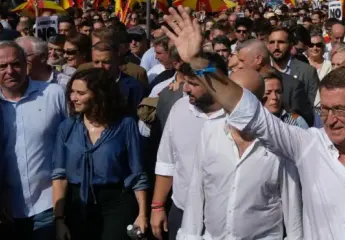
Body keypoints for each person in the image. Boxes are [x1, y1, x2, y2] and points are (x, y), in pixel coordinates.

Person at [161, 7, 345, 239]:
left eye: (341, 110)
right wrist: (198, 62)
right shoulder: (308, 146)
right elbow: (249, 113)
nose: (331, 120)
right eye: (325, 110)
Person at [177, 69, 304, 240]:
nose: (233, 103)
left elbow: (293, 207)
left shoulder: (280, 144)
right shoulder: (209, 132)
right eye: (229, 95)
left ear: (259, 101)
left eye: (240, 98)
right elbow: (196, 189)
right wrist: (189, 235)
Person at [52, 68, 148, 240]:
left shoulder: (125, 125)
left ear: (99, 95)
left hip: (116, 204)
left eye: (81, 93)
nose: (73, 98)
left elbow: (138, 173)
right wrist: (59, 219)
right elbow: (59, 176)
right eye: (72, 92)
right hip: (78, 205)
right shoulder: (67, 127)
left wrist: (142, 214)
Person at [151, 54, 228, 240]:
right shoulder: (179, 108)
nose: (185, 89)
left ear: (214, 83)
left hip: (224, 217)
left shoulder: (237, 116)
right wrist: (158, 206)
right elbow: (167, 161)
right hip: (182, 210)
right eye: (185, 82)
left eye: (193, 83)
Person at [0, 41, 67, 240]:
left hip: (48, 204)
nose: (10, 71)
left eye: (16, 64)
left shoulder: (53, 94)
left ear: (26, 64)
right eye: (2, 66)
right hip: (6, 210)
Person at [236, 39, 314, 126]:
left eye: (242, 61)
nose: (239, 65)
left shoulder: (291, 85)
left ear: (258, 59)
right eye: (268, 93)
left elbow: (304, 124)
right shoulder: (242, 84)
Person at [92, 41, 146, 117]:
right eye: (96, 62)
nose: (100, 66)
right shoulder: (86, 85)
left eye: (106, 62)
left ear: (117, 60)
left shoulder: (135, 87)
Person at [268, 26, 319, 106]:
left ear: (291, 46)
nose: (276, 47)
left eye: (281, 42)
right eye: (272, 42)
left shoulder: (308, 72)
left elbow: (312, 106)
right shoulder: (260, 70)